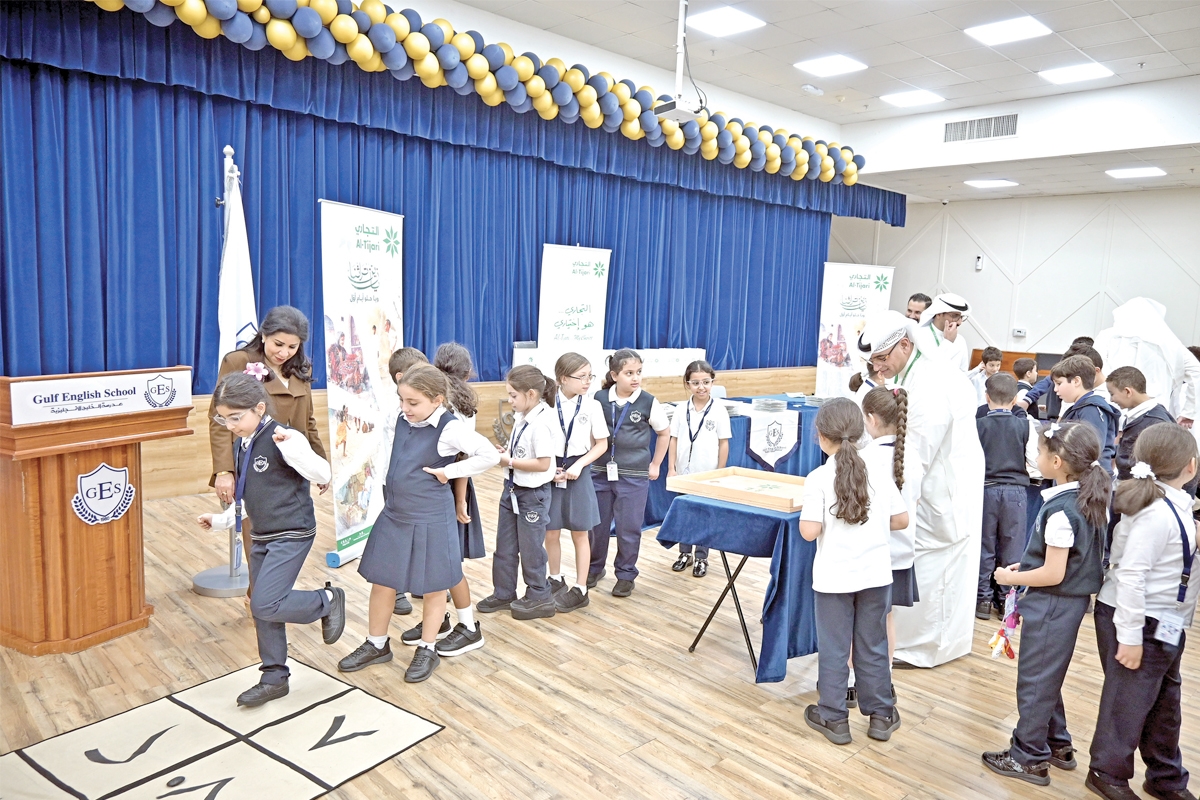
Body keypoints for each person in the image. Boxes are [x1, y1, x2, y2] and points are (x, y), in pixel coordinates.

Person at [337, 365, 499, 683]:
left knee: (434, 585)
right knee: (383, 580)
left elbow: (489, 454)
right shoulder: (401, 419)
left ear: (437, 399)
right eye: (402, 400)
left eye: (413, 402)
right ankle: (376, 644)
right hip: (396, 512)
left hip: (431, 517)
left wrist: (448, 472)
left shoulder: (450, 429)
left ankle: (428, 648)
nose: (405, 408)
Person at [197, 373, 345, 707]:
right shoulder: (241, 444)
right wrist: (221, 520)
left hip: (292, 531)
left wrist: (294, 449)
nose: (230, 425)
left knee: (265, 602)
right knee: (262, 608)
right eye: (224, 418)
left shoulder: (284, 437)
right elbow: (247, 496)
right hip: (262, 534)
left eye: (236, 417)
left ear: (259, 408)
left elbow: (322, 473)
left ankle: (326, 600)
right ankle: (274, 678)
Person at [983, 421, 1110, 787]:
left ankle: (1028, 758)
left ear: (1056, 462)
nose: (1035, 458)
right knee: (1046, 676)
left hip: (1053, 603)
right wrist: (1028, 566)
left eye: (1038, 452)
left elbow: (1054, 573)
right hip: (1067, 603)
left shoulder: (1062, 510)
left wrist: (1009, 578)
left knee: (1035, 681)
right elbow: (1068, 558)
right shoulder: (1087, 497)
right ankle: (1057, 744)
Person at [857, 311, 985, 668]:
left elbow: (916, 456)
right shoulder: (909, 372)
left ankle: (922, 648)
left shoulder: (932, 382)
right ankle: (903, 643)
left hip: (941, 491)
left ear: (905, 344)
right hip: (925, 487)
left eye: (882, 359)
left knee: (933, 573)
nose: (878, 369)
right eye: (873, 362)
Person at [1086, 424, 1199, 800]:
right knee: (1128, 702)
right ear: (1191, 466)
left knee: (1165, 703)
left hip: (1166, 620)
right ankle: (1106, 772)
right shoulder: (1156, 512)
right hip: (1136, 620)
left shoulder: (1174, 505)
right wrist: (1131, 637)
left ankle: (1165, 776)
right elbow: (1132, 576)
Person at [800, 398, 908, 746]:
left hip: (834, 578)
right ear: (860, 432)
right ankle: (881, 715)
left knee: (834, 648)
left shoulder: (818, 478)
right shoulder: (878, 473)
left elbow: (809, 531)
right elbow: (901, 520)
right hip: (875, 575)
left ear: (821, 436)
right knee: (872, 644)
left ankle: (834, 718)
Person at [209, 306, 329, 600]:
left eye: (293, 346)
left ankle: (270, 600)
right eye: (278, 344)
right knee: (256, 539)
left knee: (286, 539)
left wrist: (320, 464)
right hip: (253, 466)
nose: (284, 352)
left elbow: (308, 422)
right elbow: (219, 419)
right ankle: (260, 603)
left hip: (290, 468)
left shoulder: (302, 369)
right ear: (263, 335)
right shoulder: (239, 361)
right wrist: (224, 470)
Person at [477, 366, 559, 620]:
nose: (509, 400)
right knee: (505, 546)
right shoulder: (524, 416)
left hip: (532, 495)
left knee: (531, 548)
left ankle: (539, 595)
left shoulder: (542, 422)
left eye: (513, 395)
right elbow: (525, 453)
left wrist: (509, 461)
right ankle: (504, 592)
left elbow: (543, 464)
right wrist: (508, 454)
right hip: (512, 489)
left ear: (531, 394)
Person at [588, 349, 670, 598]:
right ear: (614, 375)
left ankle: (625, 575)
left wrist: (655, 464)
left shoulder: (648, 401)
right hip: (600, 472)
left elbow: (664, 433)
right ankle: (594, 568)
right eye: (629, 373)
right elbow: (591, 430)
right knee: (597, 525)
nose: (636, 378)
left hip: (634, 475)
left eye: (639, 372)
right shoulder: (599, 398)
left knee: (628, 528)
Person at [544, 353, 608, 613]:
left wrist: (580, 465)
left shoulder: (592, 406)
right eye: (581, 377)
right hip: (551, 469)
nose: (587, 381)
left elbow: (601, 444)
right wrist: (549, 469)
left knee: (580, 532)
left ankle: (581, 588)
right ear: (562, 379)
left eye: (590, 376)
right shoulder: (547, 405)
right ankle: (555, 578)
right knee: (550, 530)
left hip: (578, 470)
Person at [861, 386, 920, 667]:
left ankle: (856, 680)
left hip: (872, 554)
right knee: (886, 618)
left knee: (860, 620)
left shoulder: (865, 458)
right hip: (902, 552)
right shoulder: (913, 454)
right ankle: (885, 677)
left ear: (871, 419)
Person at [1094, 297, 1200, 429]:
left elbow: (1095, 367)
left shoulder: (1108, 335)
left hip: (1113, 406)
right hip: (1154, 412)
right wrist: (1189, 412)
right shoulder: (1170, 342)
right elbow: (1196, 372)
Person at [668, 360, 732, 578]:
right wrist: (671, 468)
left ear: (712, 382)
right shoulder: (680, 410)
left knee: (704, 516)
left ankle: (701, 557)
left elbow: (724, 443)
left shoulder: (719, 410)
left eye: (706, 382)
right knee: (685, 514)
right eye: (695, 383)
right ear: (688, 384)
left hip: (708, 474)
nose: (701, 387)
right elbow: (673, 439)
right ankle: (684, 553)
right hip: (684, 474)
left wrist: (720, 472)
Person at [975, 373, 1031, 620]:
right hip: (1015, 491)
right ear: (1015, 399)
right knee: (1012, 547)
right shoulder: (1024, 426)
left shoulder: (977, 425)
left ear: (986, 397)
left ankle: (983, 600)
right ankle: (1007, 600)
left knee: (984, 546)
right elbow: (1034, 461)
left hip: (985, 489)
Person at [386, 347, 430, 617]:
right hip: (396, 482)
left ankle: (420, 582)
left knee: (421, 537)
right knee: (397, 539)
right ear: (400, 377)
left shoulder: (422, 402)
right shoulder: (394, 409)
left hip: (419, 481)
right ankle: (396, 589)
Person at [1107, 366, 1178, 482]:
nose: (1111, 400)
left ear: (1127, 391)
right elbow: (1129, 448)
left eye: (1112, 394)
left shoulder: (1156, 423)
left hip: (1139, 487)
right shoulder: (1136, 415)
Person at [1052, 355, 1118, 474]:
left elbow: (1089, 451)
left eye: (1059, 383)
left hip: (1090, 479)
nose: (1055, 389)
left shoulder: (1092, 409)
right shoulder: (1079, 408)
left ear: (1076, 381)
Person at [1018, 337, 1096, 419]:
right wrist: (1027, 400)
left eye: (1059, 384)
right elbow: (1044, 384)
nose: (1056, 389)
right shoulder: (1065, 369)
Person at [914, 293, 972, 372]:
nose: (959, 322)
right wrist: (948, 341)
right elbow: (929, 370)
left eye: (961, 317)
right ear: (938, 314)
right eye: (955, 316)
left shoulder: (960, 340)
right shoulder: (920, 335)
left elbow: (963, 373)